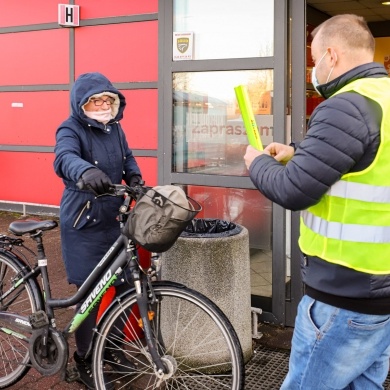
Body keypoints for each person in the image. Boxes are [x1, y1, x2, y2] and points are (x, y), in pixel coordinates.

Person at [244, 14, 390, 390]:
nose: (314, 69)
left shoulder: (347, 106)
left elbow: (294, 190)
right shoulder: (382, 101)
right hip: (381, 293)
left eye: (313, 59)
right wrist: (297, 152)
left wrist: (256, 162)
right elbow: (367, 161)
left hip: (343, 295)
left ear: (331, 55)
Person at [54, 72, 142, 389]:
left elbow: (128, 157)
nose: (103, 104)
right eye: (96, 100)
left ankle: (113, 350)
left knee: (124, 287)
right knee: (91, 296)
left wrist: (134, 178)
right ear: (83, 103)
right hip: (83, 222)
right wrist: (86, 170)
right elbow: (64, 158)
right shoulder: (70, 128)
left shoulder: (115, 129)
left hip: (113, 219)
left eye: (108, 99)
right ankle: (85, 357)